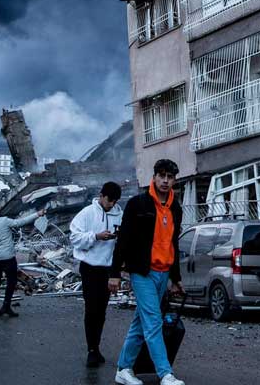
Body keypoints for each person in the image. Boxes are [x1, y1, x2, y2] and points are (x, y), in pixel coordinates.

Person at [111, 159, 185, 385]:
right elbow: (123, 240)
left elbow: (173, 244)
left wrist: (175, 278)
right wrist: (114, 273)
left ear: (174, 180)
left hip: (163, 273)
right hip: (142, 272)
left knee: (140, 323)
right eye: (161, 176)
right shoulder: (138, 204)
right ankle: (165, 374)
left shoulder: (175, 208)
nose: (165, 180)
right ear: (154, 177)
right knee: (153, 322)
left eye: (170, 177)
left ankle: (123, 369)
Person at [70, 181, 123, 367]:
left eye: (115, 201)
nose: (111, 204)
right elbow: (74, 237)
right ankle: (91, 350)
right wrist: (96, 236)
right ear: (101, 196)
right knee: (91, 309)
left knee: (101, 311)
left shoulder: (120, 215)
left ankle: (96, 346)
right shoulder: (87, 213)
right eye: (109, 200)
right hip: (90, 268)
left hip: (108, 270)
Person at [0, 204, 45, 317]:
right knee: (11, 281)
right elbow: (21, 222)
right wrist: (37, 214)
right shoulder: (4, 221)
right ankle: (6, 306)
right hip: (8, 257)